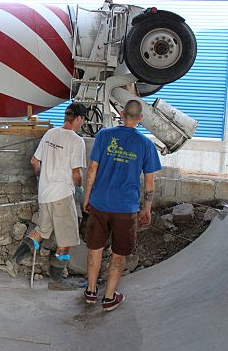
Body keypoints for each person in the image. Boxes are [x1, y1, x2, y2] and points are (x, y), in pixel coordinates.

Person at [83, 99, 161, 311]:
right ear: (141, 118)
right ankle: (109, 298)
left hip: (100, 203)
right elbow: (150, 181)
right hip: (126, 209)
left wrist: (87, 196)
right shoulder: (146, 145)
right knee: (119, 252)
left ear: (121, 113)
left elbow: (92, 169)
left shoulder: (104, 136)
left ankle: (90, 291)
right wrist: (147, 209)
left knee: (95, 247)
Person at [6, 102, 87, 290]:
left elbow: (35, 162)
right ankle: (56, 280)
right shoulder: (76, 141)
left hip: (45, 194)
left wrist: (41, 178)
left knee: (42, 231)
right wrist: (80, 188)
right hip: (62, 195)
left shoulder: (50, 134)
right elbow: (77, 173)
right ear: (79, 119)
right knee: (66, 240)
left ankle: (15, 260)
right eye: (82, 120)